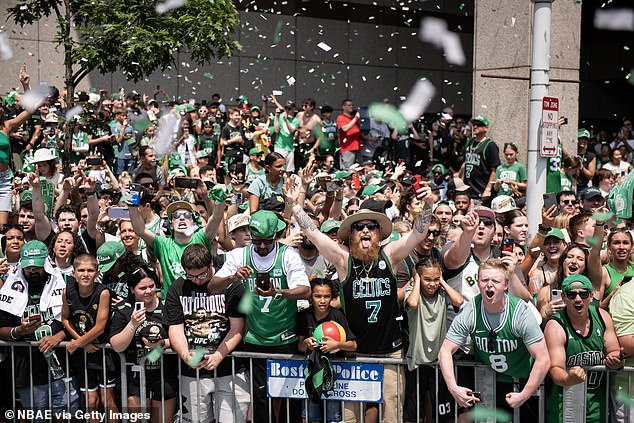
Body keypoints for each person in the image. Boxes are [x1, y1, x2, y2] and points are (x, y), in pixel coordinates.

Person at [286, 176, 436, 423]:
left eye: (371, 226)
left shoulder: (390, 256)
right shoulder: (344, 262)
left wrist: (428, 204)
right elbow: (313, 233)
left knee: (392, 417)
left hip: (390, 352)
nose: (365, 230)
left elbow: (417, 235)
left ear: (379, 233)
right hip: (353, 353)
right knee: (350, 418)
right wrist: (294, 206)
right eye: (359, 227)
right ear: (351, 234)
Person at [208, 210, 310, 422]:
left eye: (267, 242)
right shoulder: (239, 255)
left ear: (276, 236)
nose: (262, 246)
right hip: (256, 340)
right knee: (261, 400)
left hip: (285, 339)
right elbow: (212, 286)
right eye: (257, 241)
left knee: (289, 402)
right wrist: (233, 277)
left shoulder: (288, 254)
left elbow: (305, 290)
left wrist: (278, 292)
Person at [438, 259, 550, 419]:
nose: (489, 284)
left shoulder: (520, 312)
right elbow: (445, 351)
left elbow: (543, 358)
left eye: (495, 281)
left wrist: (525, 394)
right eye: (484, 280)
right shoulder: (471, 310)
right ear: (478, 283)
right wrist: (453, 387)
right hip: (493, 379)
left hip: (526, 379)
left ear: (505, 285)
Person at [0, 240, 79, 421]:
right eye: (28, 268)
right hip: (28, 371)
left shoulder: (64, 284)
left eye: (37, 267)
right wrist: (19, 330)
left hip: (62, 367)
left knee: (66, 416)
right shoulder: (10, 288)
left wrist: (59, 335)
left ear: (45, 263)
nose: (32, 271)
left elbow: (75, 320)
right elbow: (1, 327)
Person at [544, 274, 623, 423]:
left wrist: (615, 359)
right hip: (564, 405)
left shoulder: (602, 317)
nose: (578, 299)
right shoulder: (555, 325)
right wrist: (569, 378)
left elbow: (613, 350)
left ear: (591, 296)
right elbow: (555, 367)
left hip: (597, 406)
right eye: (572, 295)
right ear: (564, 297)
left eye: (583, 294)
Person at [109, 265, 178, 422]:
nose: (148, 291)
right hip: (135, 378)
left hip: (164, 375)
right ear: (132, 290)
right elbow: (117, 345)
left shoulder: (167, 306)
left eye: (151, 286)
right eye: (142, 288)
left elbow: (179, 337)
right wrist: (132, 324)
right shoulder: (123, 309)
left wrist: (161, 343)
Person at [129, 182, 224, 295]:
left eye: (187, 215)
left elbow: (216, 218)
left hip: (198, 303)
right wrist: (133, 208)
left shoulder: (202, 237)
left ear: (194, 222)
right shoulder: (162, 244)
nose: (182, 218)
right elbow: (140, 230)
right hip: (173, 305)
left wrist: (219, 200)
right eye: (176, 216)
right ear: (170, 225)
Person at [403, 258, 464, 423]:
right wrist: (416, 279)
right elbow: (413, 303)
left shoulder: (443, 294)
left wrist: (442, 281)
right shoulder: (411, 292)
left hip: (438, 363)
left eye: (436, 279)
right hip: (416, 362)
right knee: (412, 413)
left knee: (442, 414)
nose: (432, 284)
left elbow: (459, 301)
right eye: (427, 279)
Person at [62, 254, 118, 421]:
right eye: (81, 270)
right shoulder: (68, 291)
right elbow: (65, 319)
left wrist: (77, 343)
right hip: (84, 351)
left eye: (90, 270)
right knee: (90, 401)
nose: (85, 274)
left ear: (97, 272)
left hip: (102, 352)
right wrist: (82, 344)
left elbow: (100, 327)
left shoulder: (103, 292)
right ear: (74, 273)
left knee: (107, 400)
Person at [296, 278, 357, 423]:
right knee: (311, 416)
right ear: (311, 296)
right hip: (312, 372)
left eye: (326, 296)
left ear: (332, 297)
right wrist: (306, 343)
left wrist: (336, 345)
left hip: (334, 374)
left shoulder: (337, 315)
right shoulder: (304, 315)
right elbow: (300, 346)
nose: (322, 300)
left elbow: (353, 345)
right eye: (318, 296)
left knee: (333, 417)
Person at [461, 115, 500, 203]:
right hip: (468, 191)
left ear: (486, 128)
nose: (475, 127)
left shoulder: (490, 145)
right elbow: (466, 163)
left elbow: (495, 169)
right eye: (474, 124)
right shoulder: (469, 142)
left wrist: (488, 189)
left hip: (481, 192)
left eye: (478, 124)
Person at [336, 99, 362, 169]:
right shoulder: (341, 118)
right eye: (349, 105)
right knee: (348, 170)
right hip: (347, 148)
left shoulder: (354, 119)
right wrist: (355, 118)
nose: (351, 107)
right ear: (344, 107)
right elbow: (345, 129)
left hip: (357, 147)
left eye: (352, 105)